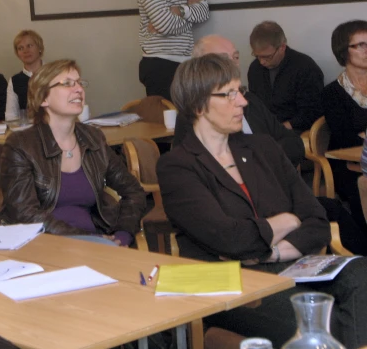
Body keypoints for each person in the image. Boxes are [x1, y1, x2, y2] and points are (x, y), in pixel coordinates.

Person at [157, 54, 367, 347]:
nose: (242, 102)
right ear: (198, 105)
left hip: (289, 263)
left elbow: (317, 221)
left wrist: (274, 252)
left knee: (362, 274)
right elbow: (229, 239)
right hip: (227, 282)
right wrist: (287, 220)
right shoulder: (177, 166)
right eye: (229, 94)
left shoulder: (263, 147)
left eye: (240, 91)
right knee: (318, 321)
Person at [0, 60, 146, 246]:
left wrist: (123, 234)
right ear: (43, 98)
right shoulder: (20, 145)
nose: (78, 89)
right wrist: (87, 240)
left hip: (98, 243)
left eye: (79, 82)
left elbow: (133, 191)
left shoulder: (93, 138)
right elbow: (25, 214)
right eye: (67, 83)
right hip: (40, 245)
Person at [173, 35, 305, 166]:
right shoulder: (192, 116)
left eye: (235, 57)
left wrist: (265, 157)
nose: (233, 64)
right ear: (199, 67)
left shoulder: (250, 100)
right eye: (222, 59)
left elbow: (293, 143)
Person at [323, 20, 367, 233]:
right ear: (343, 51)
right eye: (360, 45)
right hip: (347, 165)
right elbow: (345, 137)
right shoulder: (332, 93)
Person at [248, 21, 324, 132]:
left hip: (295, 131)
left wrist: (279, 129)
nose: (261, 62)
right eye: (257, 56)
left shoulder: (305, 67)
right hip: (264, 130)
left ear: (282, 47)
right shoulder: (255, 68)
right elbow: (255, 106)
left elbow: (310, 113)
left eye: (267, 57)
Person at [5, 30, 44, 122]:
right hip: (26, 130)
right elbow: (11, 116)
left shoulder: (54, 74)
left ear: (39, 48)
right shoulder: (15, 80)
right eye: (21, 48)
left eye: (29, 46)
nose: (26, 51)